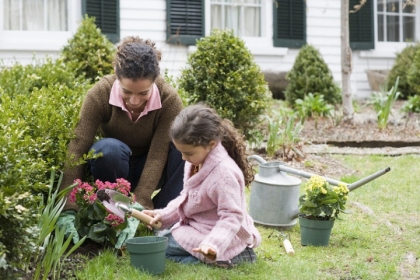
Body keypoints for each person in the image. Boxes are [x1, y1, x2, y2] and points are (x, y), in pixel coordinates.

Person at [57, 36, 185, 247]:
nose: (134, 101)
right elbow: (77, 146)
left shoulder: (169, 100)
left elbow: (157, 155)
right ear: (117, 77)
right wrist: (68, 205)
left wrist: (142, 202)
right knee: (107, 150)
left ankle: (160, 217)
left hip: (150, 166)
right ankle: (113, 208)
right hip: (114, 168)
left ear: (155, 81)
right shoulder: (99, 93)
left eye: (143, 93)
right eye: (127, 92)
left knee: (183, 154)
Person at [143, 104, 261, 268]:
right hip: (199, 227)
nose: (183, 158)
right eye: (181, 152)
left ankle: (233, 256)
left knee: (161, 247)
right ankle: (214, 259)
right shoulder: (196, 161)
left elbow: (232, 216)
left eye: (188, 153)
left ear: (211, 144)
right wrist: (163, 216)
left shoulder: (224, 175)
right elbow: (187, 196)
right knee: (161, 244)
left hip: (222, 236)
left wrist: (213, 244)